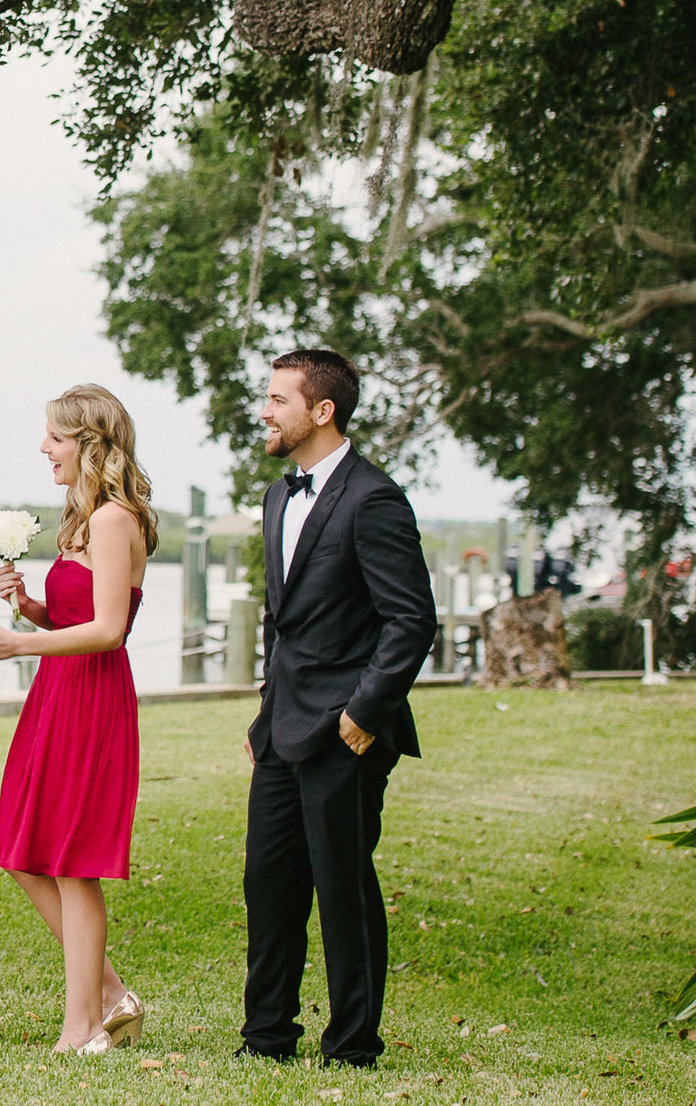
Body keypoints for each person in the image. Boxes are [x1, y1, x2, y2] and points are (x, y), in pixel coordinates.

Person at [239, 349, 438, 1069]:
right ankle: (266, 1039)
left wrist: (363, 715)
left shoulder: (374, 498)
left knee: (344, 890)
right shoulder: (276, 495)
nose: (265, 411)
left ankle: (352, 1045)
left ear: (321, 411)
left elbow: (411, 620)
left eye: (276, 399)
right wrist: (267, 708)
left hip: (346, 732)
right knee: (268, 884)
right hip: (283, 727)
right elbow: (280, 617)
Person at [0, 384, 158, 1053]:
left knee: (74, 862)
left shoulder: (112, 521)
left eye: (54, 436)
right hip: (57, 693)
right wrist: (30, 606)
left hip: (92, 697)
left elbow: (109, 630)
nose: (43, 447)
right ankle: (108, 994)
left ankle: (83, 1027)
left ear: (88, 442)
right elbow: (76, 618)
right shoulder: (82, 518)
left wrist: (18, 643)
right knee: (21, 849)